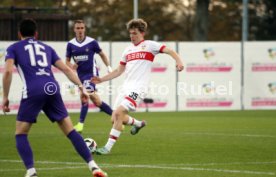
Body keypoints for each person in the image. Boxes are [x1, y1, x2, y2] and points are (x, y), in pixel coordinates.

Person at [2, 19, 107, 177]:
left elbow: (8, 72)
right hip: (52, 88)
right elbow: (66, 69)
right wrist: (82, 87)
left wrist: (5, 97)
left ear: (19, 34)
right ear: (36, 34)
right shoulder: (46, 48)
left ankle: (31, 172)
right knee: (70, 131)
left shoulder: (14, 48)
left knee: (21, 133)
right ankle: (94, 166)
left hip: (33, 89)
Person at [91, 18, 184, 155]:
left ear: (142, 33)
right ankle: (138, 123)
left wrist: (179, 61)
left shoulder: (150, 45)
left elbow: (170, 50)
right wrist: (101, 79)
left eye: (134, 33)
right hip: (125, 87)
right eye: (130, 33)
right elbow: (118, 71)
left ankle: (107, 148)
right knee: (114, 119)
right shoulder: (127, 50)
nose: (131, 36)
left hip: (139, 88)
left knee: (118, 113)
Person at [66, 20, 113, 133]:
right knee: (97, 101)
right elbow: (67, 61)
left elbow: (102, 54)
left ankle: (80, 124)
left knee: (84, 95)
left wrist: (108, 66)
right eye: (78, 28)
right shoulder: (71, 44)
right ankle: (117, 116)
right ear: (74, 29)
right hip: (80, 76)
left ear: (85, 29)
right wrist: (72, 66)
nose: (80, 30)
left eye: (82, 28)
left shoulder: (92, 42)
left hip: (91, 74)